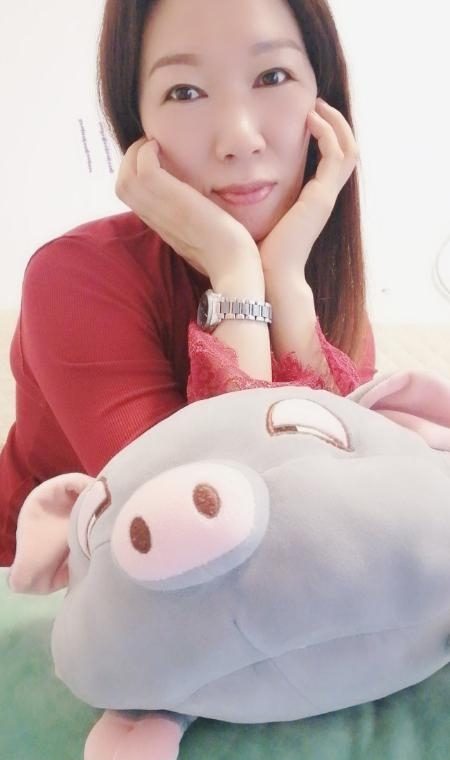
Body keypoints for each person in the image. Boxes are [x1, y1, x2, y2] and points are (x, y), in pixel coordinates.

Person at [0, 0, 376, 567]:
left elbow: (348, 523)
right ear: (138, 126)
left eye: (273, 77)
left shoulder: (323, 291)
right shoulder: (72, 278)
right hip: (42, 587)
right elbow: (205, 554)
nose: (240, 138)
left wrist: (284, 286)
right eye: (185, 91)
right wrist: (236, 275)